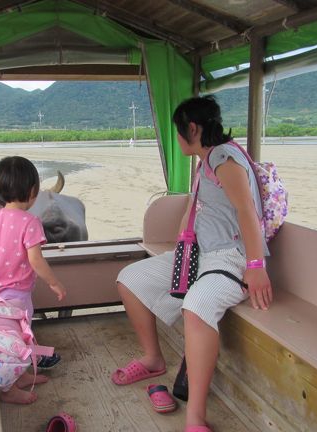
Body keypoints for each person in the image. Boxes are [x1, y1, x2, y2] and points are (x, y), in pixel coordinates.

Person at [111, 96, 272, 432]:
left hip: (232, 258)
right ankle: (153, 359)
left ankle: (195, 417)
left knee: (196, 308)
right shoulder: (208, 159)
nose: (178, 136)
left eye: (179, 130)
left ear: (193, 128)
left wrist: (255, 265)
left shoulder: (224, 158)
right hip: (201, 256)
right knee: (130, 278)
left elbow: (246, 212)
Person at [0, 155, 67, 404]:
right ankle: (8, 389)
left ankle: (22, 375)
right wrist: (54, 282)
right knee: (16, 340)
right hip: (18, 297)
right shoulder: (31, 222)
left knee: (15, 338)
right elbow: (35, 260)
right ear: (33, 191)